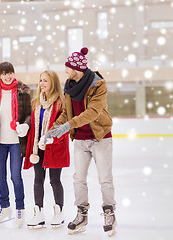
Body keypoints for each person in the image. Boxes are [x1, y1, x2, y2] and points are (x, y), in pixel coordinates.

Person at [43, 47, 116, 236]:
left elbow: (93, 112)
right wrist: (54, 128)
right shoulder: (69, 86)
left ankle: (109, 212)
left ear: (77, 68)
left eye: (67, 67)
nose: (65, 70)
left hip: (100, 136)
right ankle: (82, 214)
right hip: (81, 139)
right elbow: (67, 113)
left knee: (105, 179)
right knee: (78, 179)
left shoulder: (98, 84)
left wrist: (67, 126)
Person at [0, 62, 31, 227]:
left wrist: (25, 125)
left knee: (16, 177)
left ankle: (20, 209)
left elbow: (28, 115)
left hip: (16, 142)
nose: (7, 76)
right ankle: (5, 208)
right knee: (0, 177)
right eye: (4, 73)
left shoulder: (23, 92)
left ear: (13, 73)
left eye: (10, 72)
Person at [23, 70, 70, 229]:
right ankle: (39, 213)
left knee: (55, 180)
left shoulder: (61, 103)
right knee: (38, 180)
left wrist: (50, 139)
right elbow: (33, 121)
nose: (42, 84)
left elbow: (64, 127)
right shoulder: (36, 102)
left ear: (53, 83)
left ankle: (59, 211)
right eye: (41, 80)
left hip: (54, 147)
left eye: (46, 81)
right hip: (38, 148)